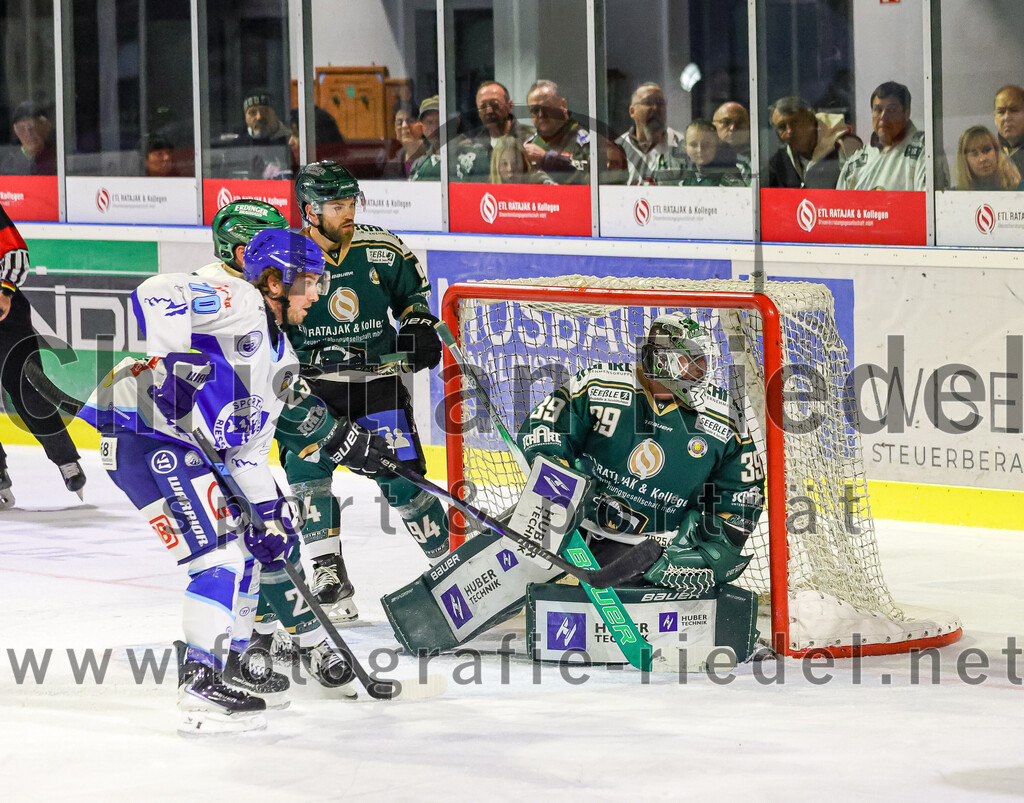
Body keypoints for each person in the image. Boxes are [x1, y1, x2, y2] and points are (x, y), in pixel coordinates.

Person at [77, 227, 388, 733]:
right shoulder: (239, 300)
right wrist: (171, 359)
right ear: (272, 280)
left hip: (174, 445)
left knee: (253, 546)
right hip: (141, 430)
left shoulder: (280, 358)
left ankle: (235, 661)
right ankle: (199, 679)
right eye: (307, 282)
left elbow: (246, 451)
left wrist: (269, 512)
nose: (317, 294)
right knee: (218, 556)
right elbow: (157, 291)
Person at [383, 313, 765, 654]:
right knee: (480, 579)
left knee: (680, 613)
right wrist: (559, 476)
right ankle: (421, 618)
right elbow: (545, 427)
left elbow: (742, 493)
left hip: (652, 548)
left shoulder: (723, 421)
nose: (698, 374)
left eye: (702, 365)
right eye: (689, 364)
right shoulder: (598, 385)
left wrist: (712, 553)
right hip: (570, 518)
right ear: (660, 360)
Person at [290, 160, 450, 621]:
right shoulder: (288, 257)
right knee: (309, 480)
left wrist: (419, 328)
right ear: (309, 210)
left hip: (376, 386)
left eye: (351, 203)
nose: (348, 213)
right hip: (310, 392)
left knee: (401, 479)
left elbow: (415, 301)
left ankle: (448, 565)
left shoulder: (383, 247)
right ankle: (328, 575)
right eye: (336, 206)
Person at [0, 203, 85, 510]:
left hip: (5, 320)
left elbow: (14, 252)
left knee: (28, 390)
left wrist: (4, 289)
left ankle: (66, 460)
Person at [836, 81, 941, 191]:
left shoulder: (924, 152)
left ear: (906, 114)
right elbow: (840, 206)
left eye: (891, 110)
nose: (883, 117)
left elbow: (928, 204)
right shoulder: (856, 163)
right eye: (878, 110)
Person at [767, 96, 862, 189]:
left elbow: (862, 192)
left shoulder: (845, 145)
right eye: (782, 127)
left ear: (811, 119)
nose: (789, 131)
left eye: (795, 122)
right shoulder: (779, 162)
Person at [453, 80, 534, 181]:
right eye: (483, 107)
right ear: (478, 112)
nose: (489, 111)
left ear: (510, 106)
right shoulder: (470, 147)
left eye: (495, 105)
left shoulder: (530, 139)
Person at [614, 82, 686, 185]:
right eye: (648, 102)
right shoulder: (618, 148)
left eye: (660, 103)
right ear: (632, 111)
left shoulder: (682, 144)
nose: (655, 108)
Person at [522, 80, 590, 184]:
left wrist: (547, 159)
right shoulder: (528, 145)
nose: (541, 115)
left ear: (563, 104)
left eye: (547, 108)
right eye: (535, 110)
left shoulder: (587, 141)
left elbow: (592, 183)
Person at [676, 119, 748, 186]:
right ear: (686, 149)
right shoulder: (685, 182)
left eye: (706, 144)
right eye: (693, 145)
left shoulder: (730, 182)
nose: (700, 150)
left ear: (716, 146)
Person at [954, 125, 1023, 191]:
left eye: (986, 150)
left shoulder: (1019, 189)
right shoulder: (953, 195)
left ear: (997, 152)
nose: (982, 159)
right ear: (965, 161)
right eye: (974, 154)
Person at [1, 101, 57, 176]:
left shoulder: (57, 157)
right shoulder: (8, 163)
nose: (28, 134)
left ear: (46, 127)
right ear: (15, 131)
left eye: (33, 128)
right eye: (21, 129)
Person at [489, 135, 556, 184]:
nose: (510, 169)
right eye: (504, 163)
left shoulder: (538, 181)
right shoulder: (485, 191)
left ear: (524, 164)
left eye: (515, 162)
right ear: (496, 166)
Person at [384, 106, 427, 179]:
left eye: (410, 121)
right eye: (399, 123)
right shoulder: (393, 163)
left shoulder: (432, 153)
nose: (404, 126)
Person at [408, 95, 442, 182]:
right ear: (422, 127)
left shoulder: (465, 155)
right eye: (429, 122)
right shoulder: (419, 164)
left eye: (439, 121)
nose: (434, 128)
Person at [993, 85, 1024, 178]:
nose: (1006, 117)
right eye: (1001, 112)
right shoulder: (988, 154)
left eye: (1014, 110)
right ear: (995, 118)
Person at [712, 101, 751, 171]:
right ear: (714, 126)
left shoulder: (758, 160)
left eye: (739, 122)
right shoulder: (704, 157)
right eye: (726, 122)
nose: (732, 128)